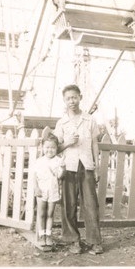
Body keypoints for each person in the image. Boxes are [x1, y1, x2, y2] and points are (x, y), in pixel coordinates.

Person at [53, 84, 103, 255]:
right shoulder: (61, 123)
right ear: (64, 101)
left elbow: (95, 144)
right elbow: (55, 148)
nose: (72, 101)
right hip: (69, 166)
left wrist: (96, 167)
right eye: (68, 98)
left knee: (91, 204)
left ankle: (95, 242)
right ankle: (73, 240)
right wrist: (67, 142)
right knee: (69, 204)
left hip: (86, 165)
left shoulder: (90, 120)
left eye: (74, 97)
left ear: (80, 97)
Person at [33, 134, 65, 248]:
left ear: (56, 148)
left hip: (53, 190)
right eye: (47, 147)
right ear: (42, 147)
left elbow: (60, 176)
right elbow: (34, 176)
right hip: (41, 190)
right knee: (41, 213)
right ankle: (42, 235)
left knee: (50, 214)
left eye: (52, 147)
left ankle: (48, 235)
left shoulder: (58, 161)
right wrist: (36, 188)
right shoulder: (39, 161)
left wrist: (63, 169)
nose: (49, 150)